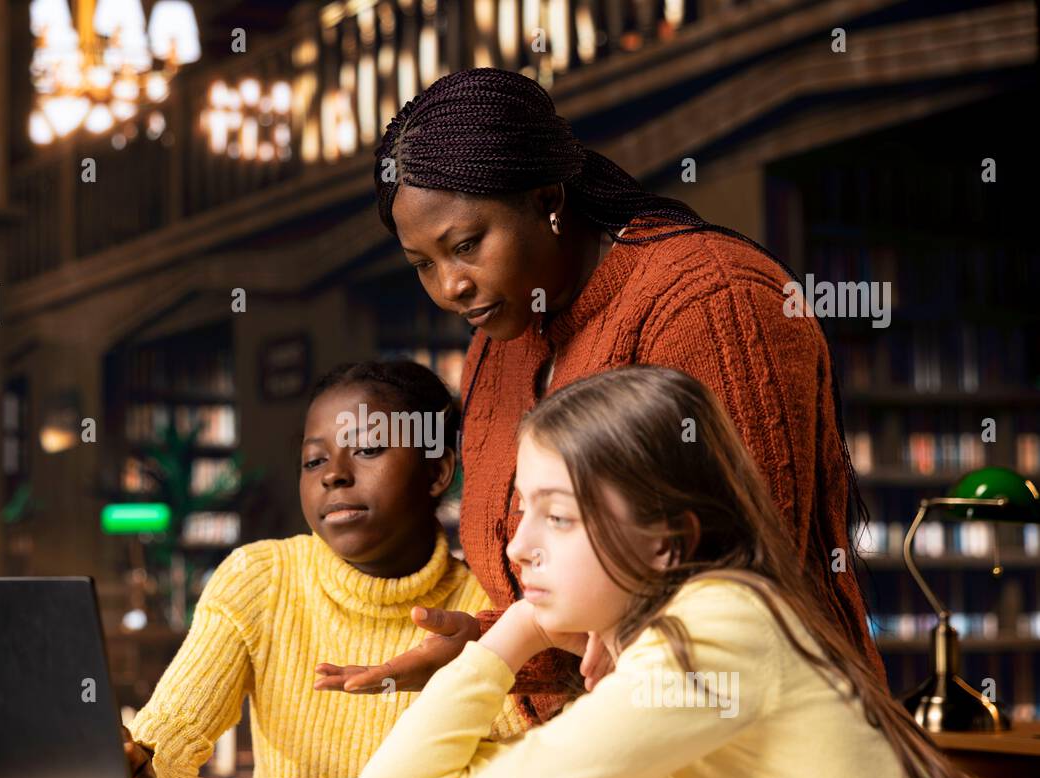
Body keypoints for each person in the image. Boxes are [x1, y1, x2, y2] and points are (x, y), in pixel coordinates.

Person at [319, 67, 883, 727]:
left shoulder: (708, 299)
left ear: (548, 199)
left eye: (466, 246)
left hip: (763, 746)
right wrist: (490, 647)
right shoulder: (496, 351)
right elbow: (577, 599)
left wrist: (522, 640)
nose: (450, 286)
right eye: (423, 264)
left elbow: (738, 592)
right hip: (606, 771)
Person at [354, 367, 1034, 778]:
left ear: (667, 540)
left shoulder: (719, 623)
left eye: (557, 516)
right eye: (523, 508)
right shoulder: (654, 640)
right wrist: (516, 630)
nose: (517, 545)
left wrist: (522, 631)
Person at [122, 361, 524, 778]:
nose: (332, 474)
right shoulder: (260, 577)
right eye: (314, 460)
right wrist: (141, 763)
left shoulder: (492, 605)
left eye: (368, 449)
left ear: (437, 471)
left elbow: (526, 771)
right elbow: (172, 734)